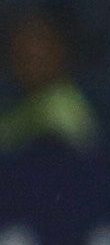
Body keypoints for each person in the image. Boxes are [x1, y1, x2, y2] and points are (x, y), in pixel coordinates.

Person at [0, 12, 101, 153]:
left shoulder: (63, 107)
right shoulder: (20, 103)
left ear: (59, 52)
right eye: (23, 56)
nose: (31, 66)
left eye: (39, 57)